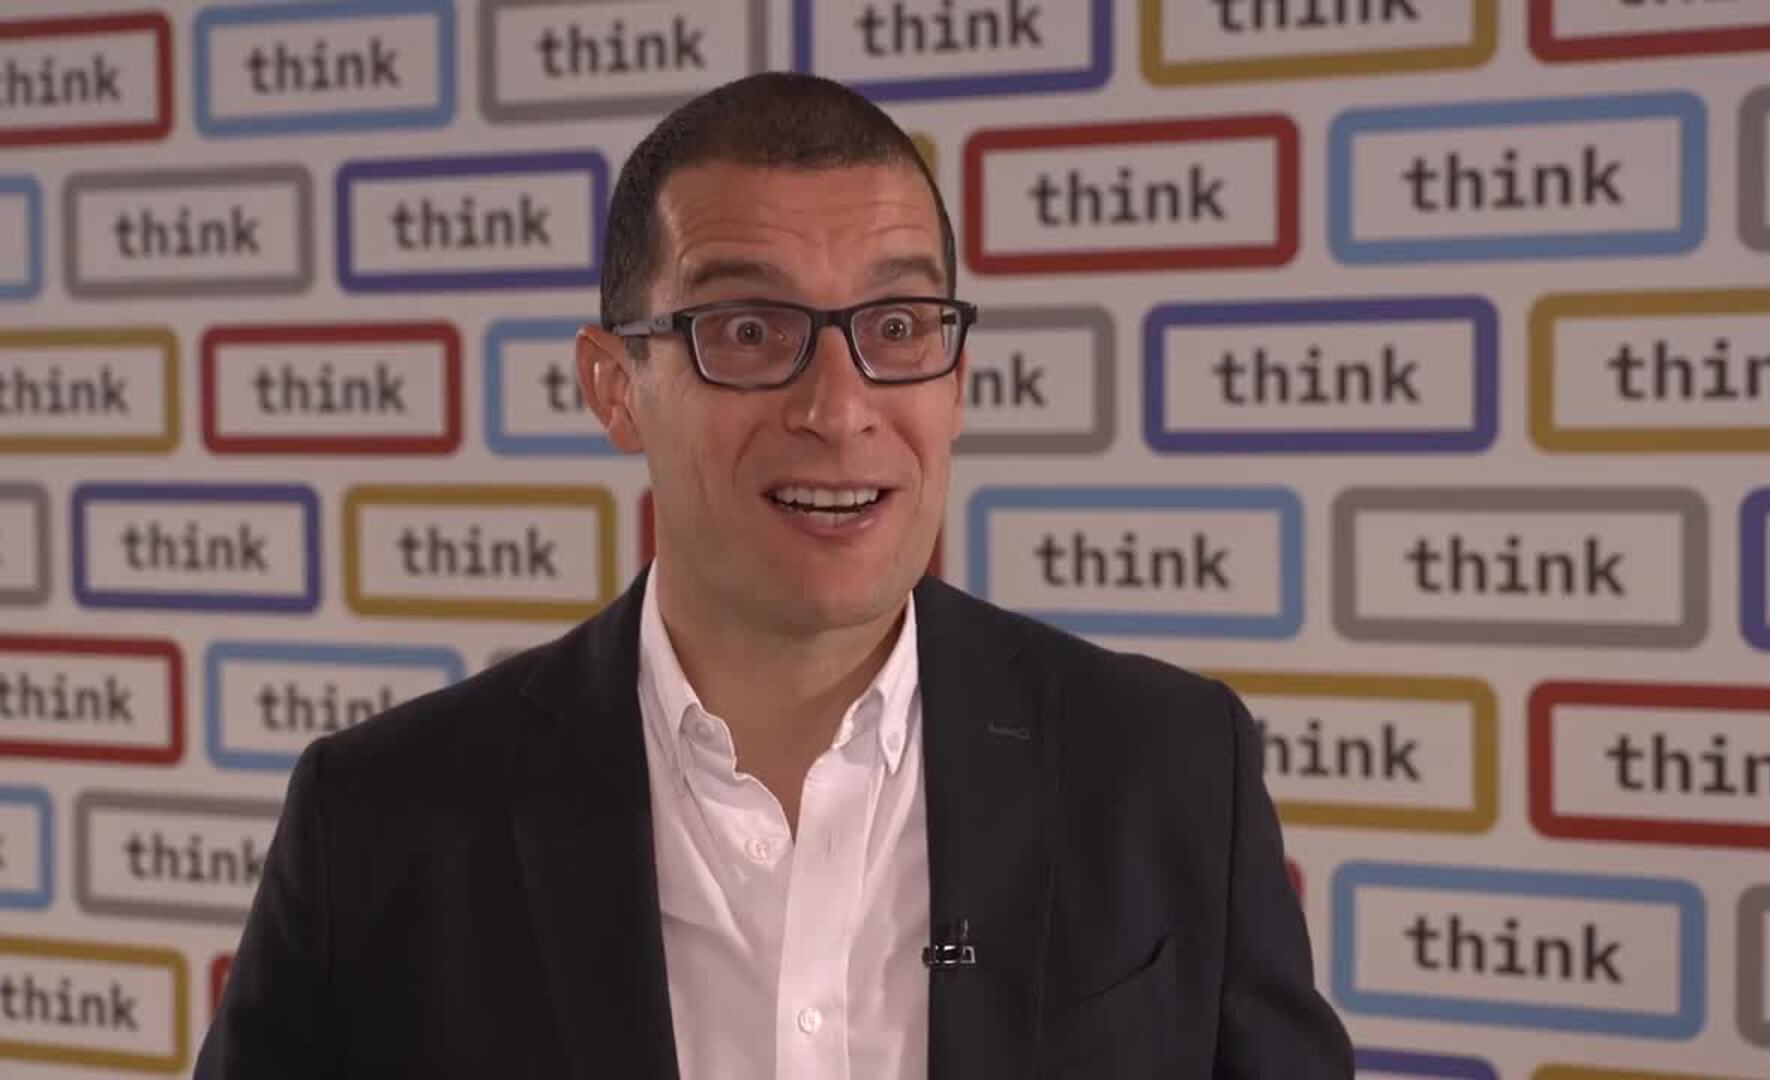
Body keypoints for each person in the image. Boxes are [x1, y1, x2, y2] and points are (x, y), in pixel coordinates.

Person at [197, 72, 1353, 1079]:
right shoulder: (382, 822)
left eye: (896, 326)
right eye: (749, 331)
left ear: (956, 383)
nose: (838, 409)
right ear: (614, 387)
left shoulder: (1167, 769)